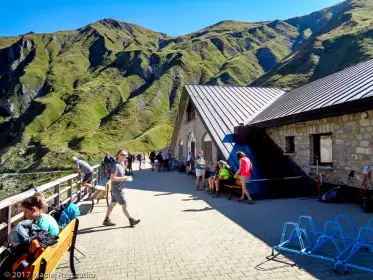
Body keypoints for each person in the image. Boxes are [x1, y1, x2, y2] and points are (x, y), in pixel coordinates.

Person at [103, 150, 140, 227]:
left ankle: (106, 220)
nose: (125, 156)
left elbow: (120, 176)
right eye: (123, 154)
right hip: (117, 188)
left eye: (126, 155)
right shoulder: (116, 166)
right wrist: (124, 178)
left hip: (117, 187)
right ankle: (131, 220)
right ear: (118, 155)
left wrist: (125, 178)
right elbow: (112, 178)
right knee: (124, 205)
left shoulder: (121, 164)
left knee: (112, 204)